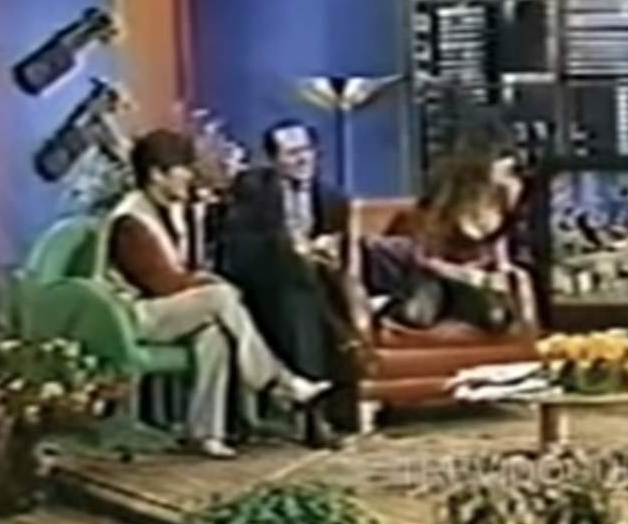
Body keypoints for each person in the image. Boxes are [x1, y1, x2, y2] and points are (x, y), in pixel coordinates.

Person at [106, 130, 331, 459]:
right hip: (133, 316)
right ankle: (278, 382)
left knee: (215, 334)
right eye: (183, 169)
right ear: (157, 175)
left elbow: (187, 270)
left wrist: (202, 267)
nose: (190, 176)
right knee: (222, 297)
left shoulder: (174, 209)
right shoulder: (131, 221)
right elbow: (164, 284)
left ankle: (206, 434)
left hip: (168, 308)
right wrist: (206, 281)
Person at [218, 121, 358, 446]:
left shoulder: (333, 198)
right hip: (261, 278)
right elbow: (237, 248)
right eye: (292, 153)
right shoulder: (252, 188)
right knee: (298, 287)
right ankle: (315, 415)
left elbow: (343, 257)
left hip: (312, 283)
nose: (303, 159)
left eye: (307, 150)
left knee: (310, 293)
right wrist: (287, 247)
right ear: (274, 160)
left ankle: (320, 404)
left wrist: (327, 253)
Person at [361, 143, 537, 334]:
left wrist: (487, 280)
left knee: (493, 314)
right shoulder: (439, 217)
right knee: (421, 307)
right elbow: (424, 258)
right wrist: (456, 272)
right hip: (433, 280)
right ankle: (389, 309)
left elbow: (502, 270)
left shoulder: (500, 233)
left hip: (469, 288)